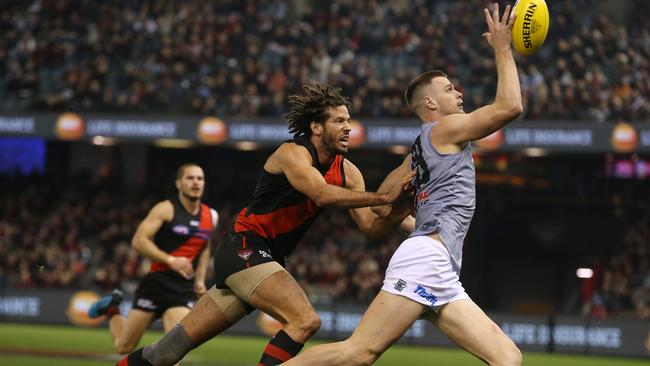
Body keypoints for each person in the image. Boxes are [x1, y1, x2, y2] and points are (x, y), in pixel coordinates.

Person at [283, 4, 524, 365]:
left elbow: (381, 205)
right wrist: (503, 49)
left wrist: (412, 215)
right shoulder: (445, 129)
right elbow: (510, 107)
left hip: (440, 266)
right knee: (358, 353)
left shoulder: (417, 151)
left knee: (508, 358)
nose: (459, 93)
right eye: (448, 88)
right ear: (430, 103)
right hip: (426, 260)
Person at [116, 83, 415, 366]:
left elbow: (371, 227)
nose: (348, 126)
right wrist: (385, 196)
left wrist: (402, 210)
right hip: (245, 248)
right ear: (316, 127)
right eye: (339, 120)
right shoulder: (292, 153)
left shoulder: (349, 172)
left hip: (262, 260)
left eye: (348, 120)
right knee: (305, 320)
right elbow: (322, 194)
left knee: (167, 352)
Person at [88, 163, 218, 358]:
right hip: (156, 283)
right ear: (178, 183)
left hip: (182, 289)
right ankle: (112, 309)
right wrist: (170, 260)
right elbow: (138, 241)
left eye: (200, 178)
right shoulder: (165, 209)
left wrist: (200, 280)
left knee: (175, 350)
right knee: (123, 347)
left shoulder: (211, 216)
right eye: (190, 178)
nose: (196, 183)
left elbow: (205, 248)